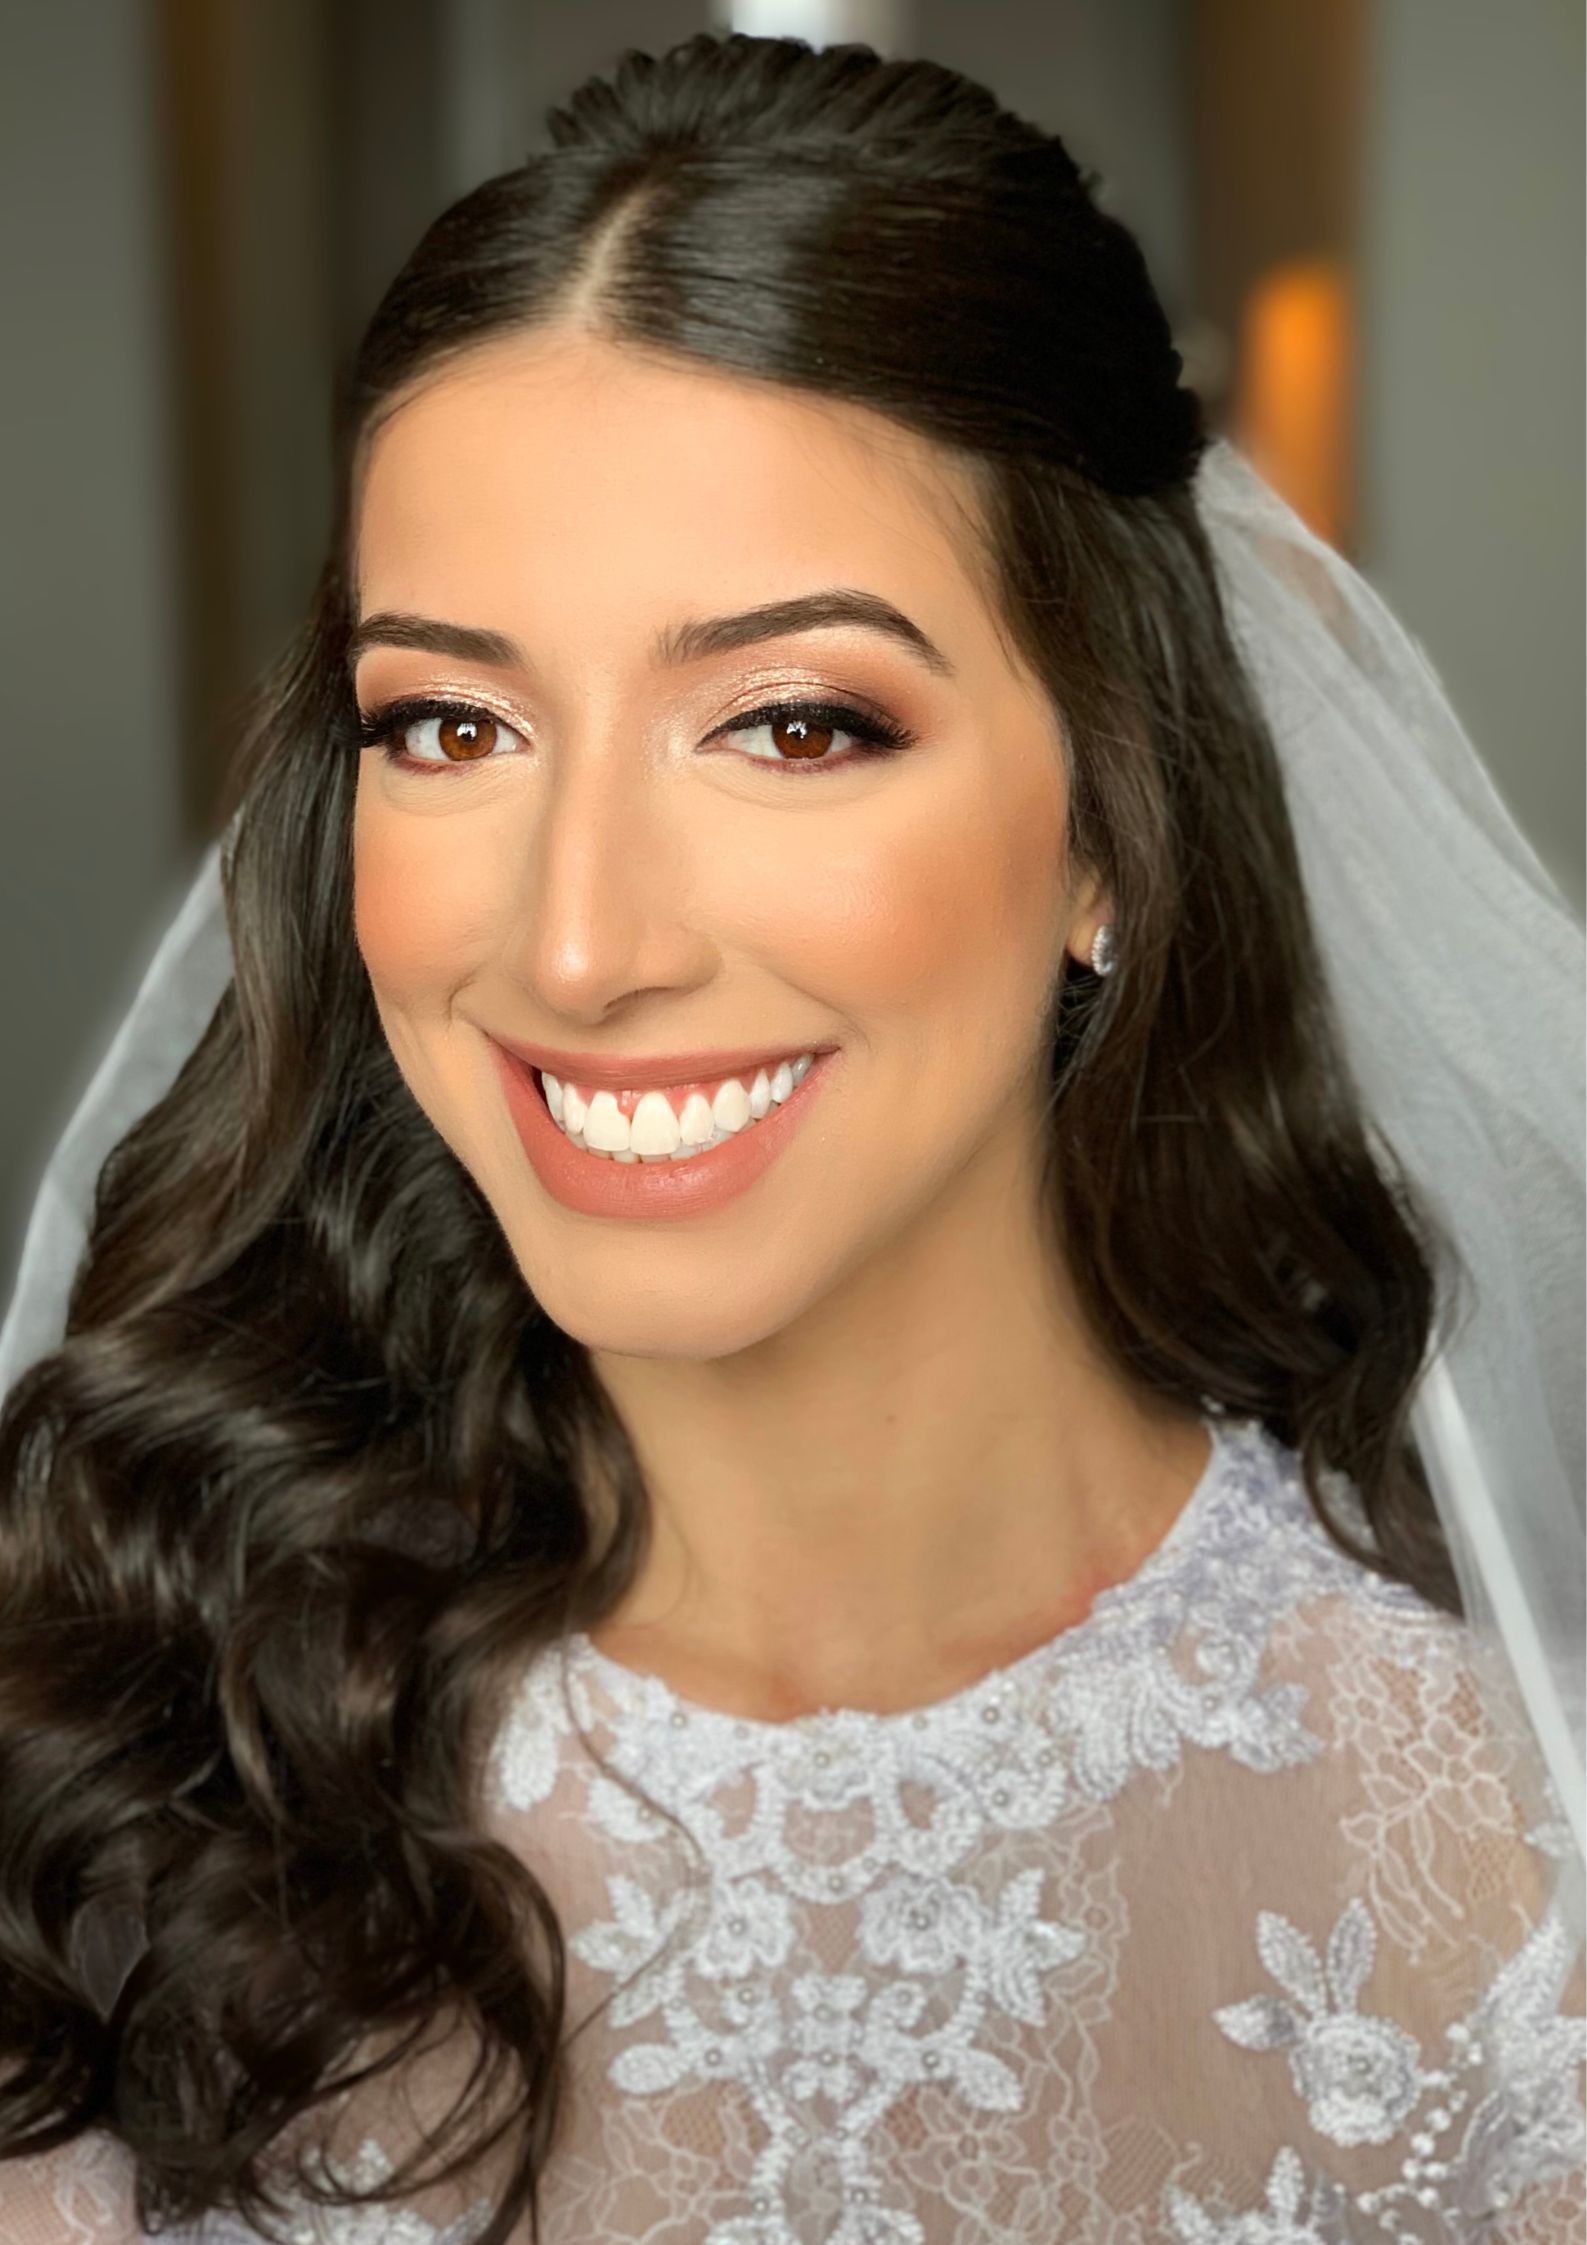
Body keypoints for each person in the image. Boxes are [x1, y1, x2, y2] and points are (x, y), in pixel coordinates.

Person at [0, 31, 1581, 2245]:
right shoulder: (102, 1757)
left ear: (1111, 826)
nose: (577, 945)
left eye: (792, 724)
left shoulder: (1510, 1873)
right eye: (451, 724)